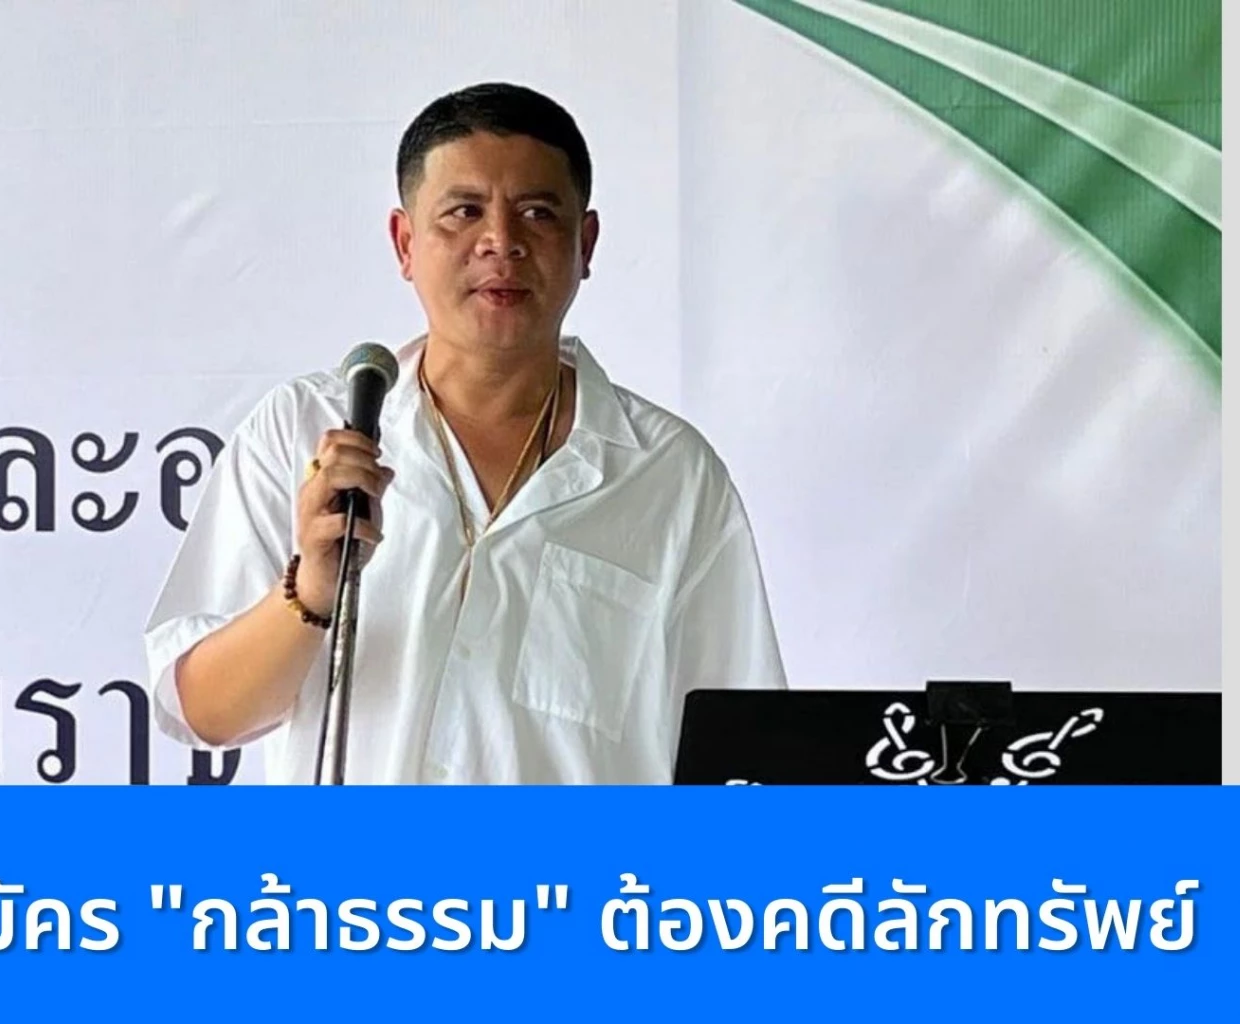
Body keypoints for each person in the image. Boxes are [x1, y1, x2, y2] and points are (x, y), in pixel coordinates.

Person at [142, 82, 787, 784]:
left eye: (538, 213)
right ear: (405, 243)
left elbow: (741, 757)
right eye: (464, 212)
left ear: (585, 243)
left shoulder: (669, 474)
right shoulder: (303, 431)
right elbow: (205, 712)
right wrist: (313, 591)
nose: (501, 242)